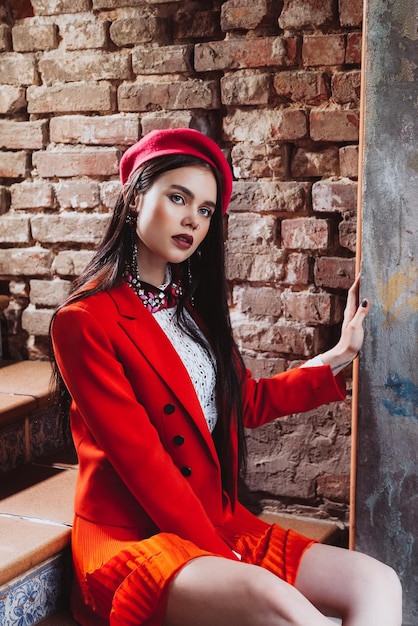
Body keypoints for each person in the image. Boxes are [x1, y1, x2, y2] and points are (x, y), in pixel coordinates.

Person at [50, 128, 402, 626]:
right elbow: (144, 461)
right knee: (284, 609)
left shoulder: (191, 313)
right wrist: (218, 552)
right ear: (133, 199)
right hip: (135, 537)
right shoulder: (84, 321)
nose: (192, 219)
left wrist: (340, 354)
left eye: (206, 210)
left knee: (378, 582)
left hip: (214, 517)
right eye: (178, 198)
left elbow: (246, 402)